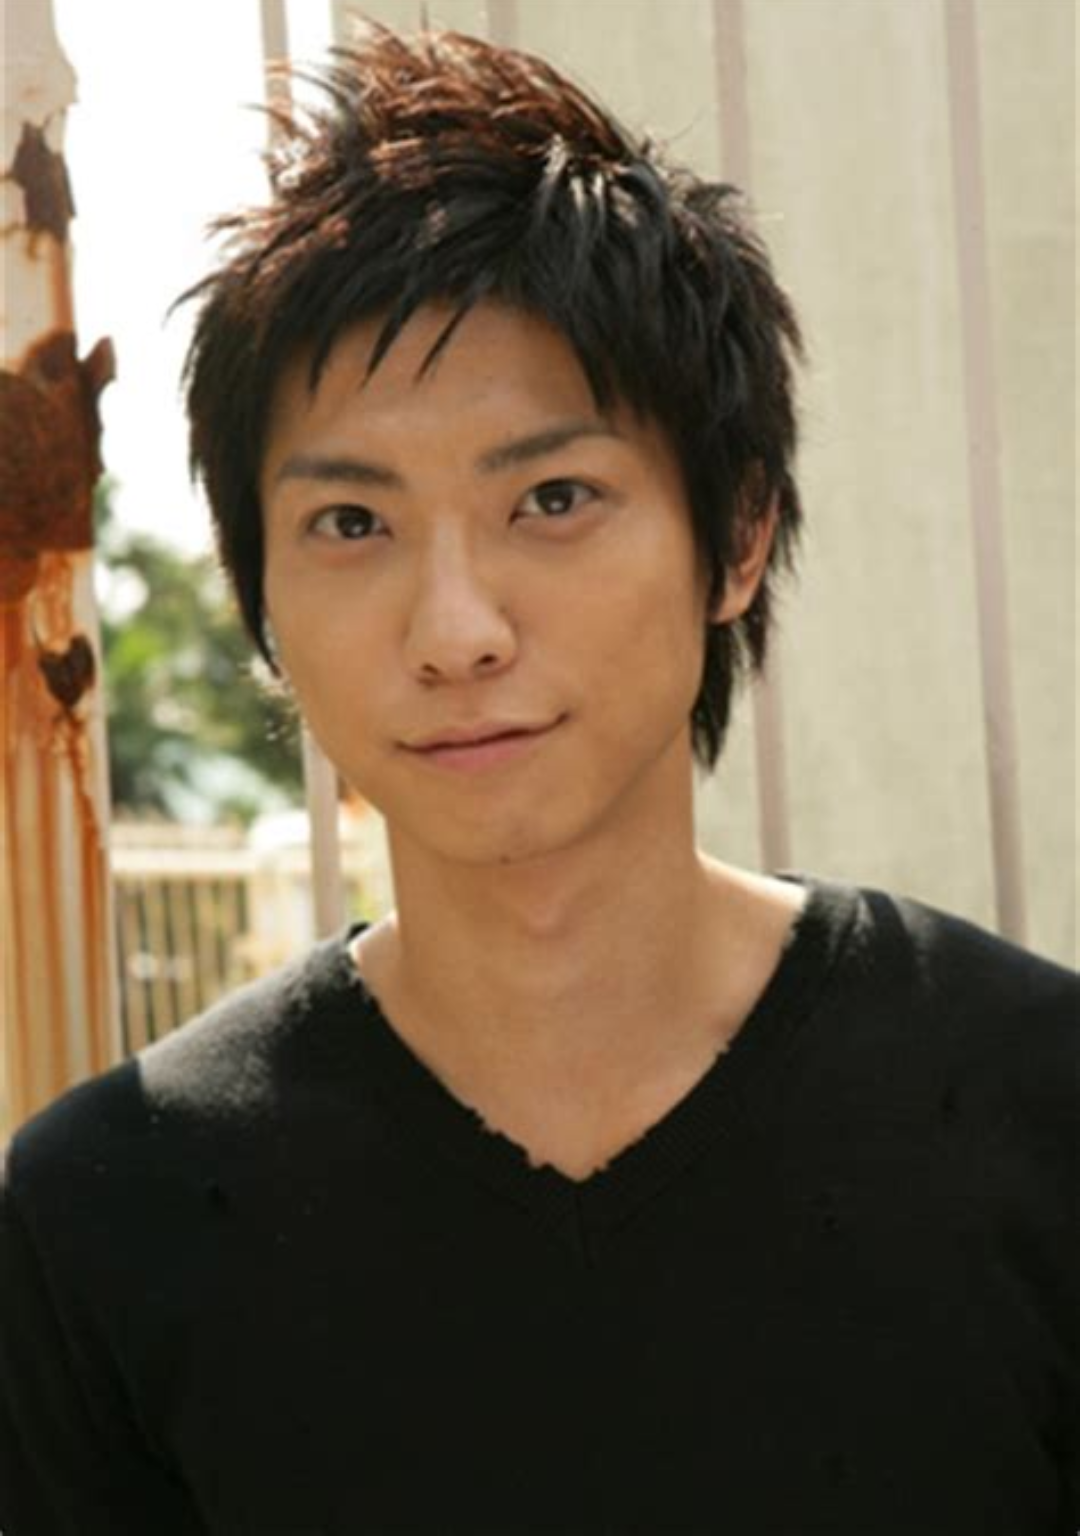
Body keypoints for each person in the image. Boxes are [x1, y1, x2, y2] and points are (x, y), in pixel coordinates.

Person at [1, 21, 1075, 1536]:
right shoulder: (109, 1213)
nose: (456, 632)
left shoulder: (1039, 1108)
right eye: (353, 525)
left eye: (553, 497)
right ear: (261, 598)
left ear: (738, 534)